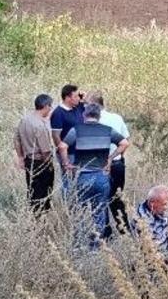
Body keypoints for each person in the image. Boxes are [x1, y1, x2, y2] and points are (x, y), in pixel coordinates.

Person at [59, 103, 130, 247]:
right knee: (99, 212)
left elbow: (62, 146)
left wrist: (66, 164)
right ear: (99, 116)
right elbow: (124, 143)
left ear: (84, 115)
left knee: (79, 211)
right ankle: (96, 247)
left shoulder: (77, 130)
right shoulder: (107, 130)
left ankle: (79, 245)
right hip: (101, 176)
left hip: (82, 176)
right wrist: (110, 158)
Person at [86, 91, 131, 234]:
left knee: (100, 200)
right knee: (117, 199)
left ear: (93, 105)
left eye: (87, 104)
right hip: (118, 164)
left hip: (100, 166)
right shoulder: (116, 117)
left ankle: (106, 233)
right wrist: (117, 157)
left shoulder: (93, 121)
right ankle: (124, 230)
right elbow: (126, 140)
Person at [14, 94, 55, 216]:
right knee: (44, 194)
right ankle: (41, 218)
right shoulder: (40, 126)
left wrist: (21, 157)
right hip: (41, 162)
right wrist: (49, 166)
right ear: (46, 106)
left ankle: (32, 217)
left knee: (32, 191)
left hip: (28, 160)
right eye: (50, 106)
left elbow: (16, 139)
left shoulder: (25, 119)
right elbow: (46, 151)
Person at [50, 84, 85, 173]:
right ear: (68, 98)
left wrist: (82, 95)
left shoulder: (78, 107)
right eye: (76, 96)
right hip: (69, 153)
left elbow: (91, 102)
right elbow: (55, 135)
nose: (78, 98)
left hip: (80, 151)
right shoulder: (58, 113)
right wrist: (64, 158)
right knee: (69, 181)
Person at [133, 185, 168, 257]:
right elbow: (155, 251)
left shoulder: (156, 209)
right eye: (164, 204)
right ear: (152, 204)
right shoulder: (143, 222)